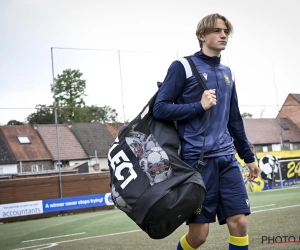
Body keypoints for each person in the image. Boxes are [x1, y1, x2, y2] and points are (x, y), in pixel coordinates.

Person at [152, 13, 259, 250]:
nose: (223, 35)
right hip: (197, 162)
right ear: (201, 36)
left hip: (227, 159)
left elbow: (234, 120)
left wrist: (248, 157)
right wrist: (197, 106)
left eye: (226, 32)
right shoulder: (183, 66)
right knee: (199, 235)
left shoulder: (227, 72)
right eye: (217, 31)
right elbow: (160, 108)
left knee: (239, 223)